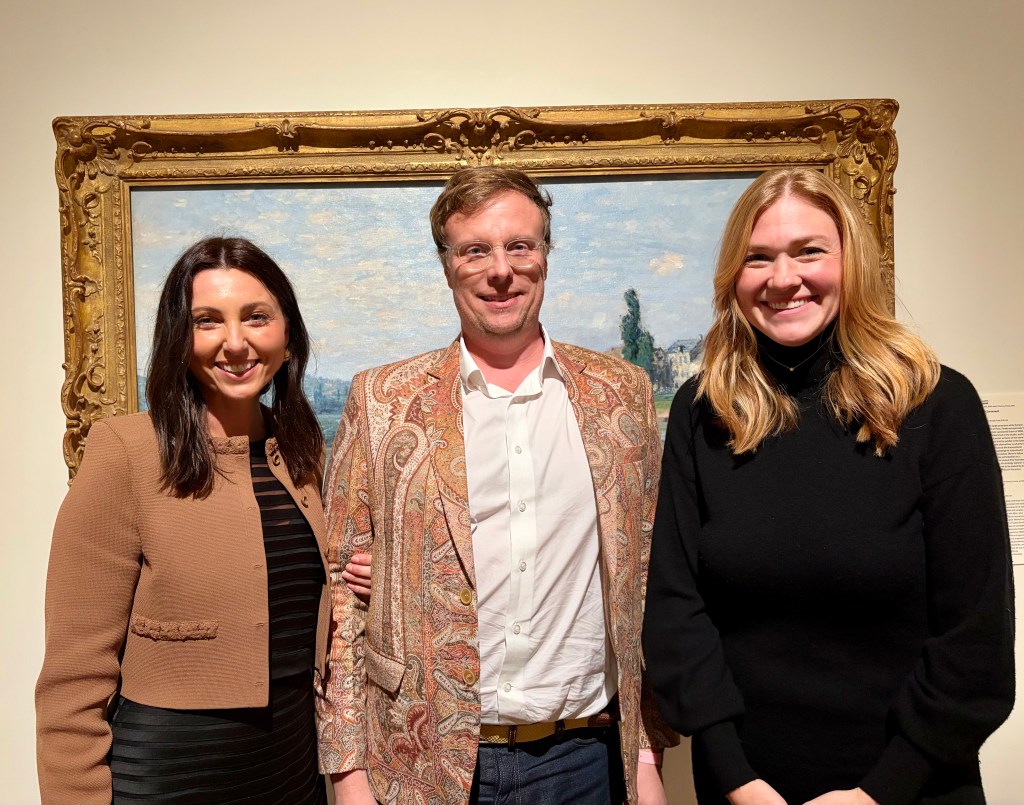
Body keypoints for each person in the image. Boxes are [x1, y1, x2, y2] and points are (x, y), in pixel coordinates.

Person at [642, 167, 1015, 805]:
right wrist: (737, 780)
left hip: (914, 787)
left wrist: (879, 792)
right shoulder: (704, 411)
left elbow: (976, 641)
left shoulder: (936, 404)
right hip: (746, 791)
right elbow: (676, 610)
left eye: (809, 251)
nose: (783, 278)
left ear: (852, 262)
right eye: (759, 257)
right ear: (734, 275)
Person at [316, 166, 677, 805]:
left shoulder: (620, 394)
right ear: (447, 265)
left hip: (584, 762)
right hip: (421, 761)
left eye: (519, 246)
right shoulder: (382, 400)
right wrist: (348, 777)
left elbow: (645, 578)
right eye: (475, 250)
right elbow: (344, 597)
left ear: (545, 255)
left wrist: (646, 754)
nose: (500, 270)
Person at [36, 237, 330, 804]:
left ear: (288, 334)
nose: (235, 343)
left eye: (256, 317)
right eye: (207, 321)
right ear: (178, 337)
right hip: (172, 775)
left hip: (292, 770)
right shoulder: (126, 451)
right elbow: (74, 677)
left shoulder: (302, 450)